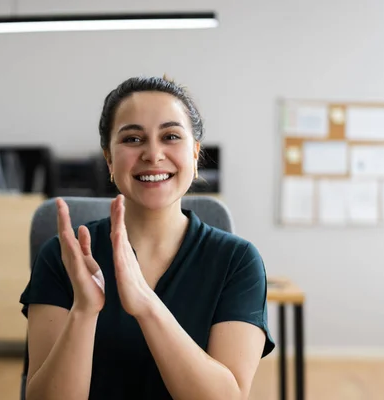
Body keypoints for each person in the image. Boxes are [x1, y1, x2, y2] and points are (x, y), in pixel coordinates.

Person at [19, 75, 275, 400]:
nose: (153, 154)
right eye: (133, 139)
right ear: (109, 160)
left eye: (170, 136)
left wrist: (147, 307)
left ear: (195, 154)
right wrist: (83, 312)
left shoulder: (237, 261)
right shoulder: (62, 257)